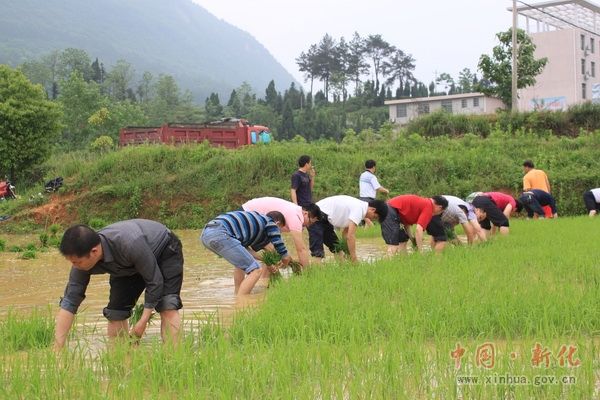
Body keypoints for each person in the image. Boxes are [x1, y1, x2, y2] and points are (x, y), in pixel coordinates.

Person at [54, 219, 183, 350]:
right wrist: (57, 349)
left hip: (164, 251)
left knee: (167, 305)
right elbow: (70, 302)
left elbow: (155, 281)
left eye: (77, 262)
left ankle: (172, 357)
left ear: (94, 252)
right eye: (72, 262)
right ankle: (121, 362)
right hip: (127, 265)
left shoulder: (129, 243)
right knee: (115, 313)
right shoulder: (81, 261)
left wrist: (142, 322)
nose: (74, 266)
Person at [201, 210, 291, 295]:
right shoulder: (270, 222)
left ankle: (237, 296)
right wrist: (284, 256)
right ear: (278, 223)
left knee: (242, 264)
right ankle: (242, 302)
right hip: (220, 232)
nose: (278, 232)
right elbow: (278, 243)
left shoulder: (253, 229)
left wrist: (267, 261)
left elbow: (246, 251)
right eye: (280, 230)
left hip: (206, 235)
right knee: (256, 270)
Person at [242, 197, 320, 268]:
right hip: (247, 213)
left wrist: (290, 262)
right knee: (244, 255)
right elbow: (301, 249)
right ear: (306, 214)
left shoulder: (294, 212)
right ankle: (263, 279)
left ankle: (267, 279)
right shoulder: (295, 217)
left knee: (271, 252)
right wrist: (307, 274)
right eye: (310, 222)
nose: (309, 225)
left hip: (252, 215)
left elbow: (276, 241)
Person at [310, 195, 388, 262]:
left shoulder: (360, 208)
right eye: (374, 217)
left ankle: (344, 270)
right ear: (373, 210)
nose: (372, 219)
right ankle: (313, 273)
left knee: (337, 248)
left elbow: (345, 233)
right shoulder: (359, 209)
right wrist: (354, 259)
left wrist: (348, 254)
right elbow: (350, 236)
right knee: (318, 252)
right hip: (315, 215)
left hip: (324, 218)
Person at [382, 195, 448, 254]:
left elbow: (406, 225)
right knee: (393, 245)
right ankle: (385, 265)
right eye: (441, 212)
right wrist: (421, 251)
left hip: (392, 211)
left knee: (403, 240)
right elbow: (418, 230)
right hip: (390, 211)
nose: (438, 214)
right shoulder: (429, 207)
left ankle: (403, 263)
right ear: (439, 207)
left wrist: (412, 239)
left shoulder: (424, 203)